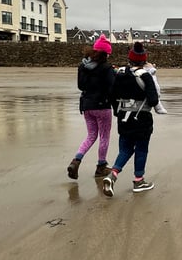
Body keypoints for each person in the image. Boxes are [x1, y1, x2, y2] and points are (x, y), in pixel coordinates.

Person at [102, 41, 166, 197]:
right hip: (141, 118)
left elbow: (111, 95)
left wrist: (118, 112)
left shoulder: (120, 73)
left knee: (125, 149)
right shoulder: (145, 75)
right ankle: (138, 180)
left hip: (123, 117)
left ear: (129, 59)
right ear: (144, 60)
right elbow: (153, 99)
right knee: (141, 149)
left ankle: (113, 174)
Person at [67, 35, 116, 180]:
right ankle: (101, 166)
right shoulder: (106, 68)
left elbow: (80, 86)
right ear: (105, 53)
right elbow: (111, 88)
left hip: (87, 105)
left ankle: (76, 160)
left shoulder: (83, 66)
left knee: (91, 135)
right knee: (104, 136)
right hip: (102, 106)